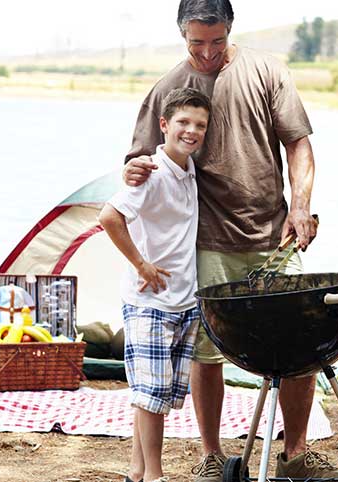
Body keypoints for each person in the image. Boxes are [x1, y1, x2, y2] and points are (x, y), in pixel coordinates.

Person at [121, 1, 338, 479]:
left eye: (216, 41)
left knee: (298, 347)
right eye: (196, 43)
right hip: (204, 242)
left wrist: (300, 205)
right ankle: (210, 455)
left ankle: (296, 455)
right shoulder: (168, 88)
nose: (206, 53)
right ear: (182, 35)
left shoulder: (266, 71)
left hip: (274, 234)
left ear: (230, 31)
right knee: (207, 352)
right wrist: (130, 169)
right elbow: (141, 162)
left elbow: (299, 143)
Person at [99, 87, 212, 482]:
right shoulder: (151, 173)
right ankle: (155, 476)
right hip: (150, 302)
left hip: (183, 301)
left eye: (199, 124)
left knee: (156, 396)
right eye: (182, 122)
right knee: (152, 398)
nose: (191, 131)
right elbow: (109, 217)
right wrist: (141, 264)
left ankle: (137, 470)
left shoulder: (188, 170)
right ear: (163, 125)